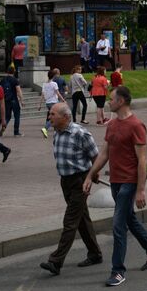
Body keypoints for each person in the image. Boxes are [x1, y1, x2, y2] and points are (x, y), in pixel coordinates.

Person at [86, 86, 147, 287]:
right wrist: (92, 173)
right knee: (129, 219)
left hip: (129, 181)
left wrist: (140, 189)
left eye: (111, 99)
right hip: (115, 181)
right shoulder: (112, 124)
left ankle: (118, 270)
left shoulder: (136, 125)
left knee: (118, 225)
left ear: (121, 102)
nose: (109, 102)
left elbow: (142, 160)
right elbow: (105, 153)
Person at [40, 102, 102, 275]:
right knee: (81, 219)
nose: (49, 117)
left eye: (53, 114)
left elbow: (96, 156)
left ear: (65, 117)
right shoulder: (57, 132)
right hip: (65, 181)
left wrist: (93, 175)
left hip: (80, 181)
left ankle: (56, 261)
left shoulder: (80, 133)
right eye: (50, 114)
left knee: (70, 221)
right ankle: (95, 254)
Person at [41, 69, 66, 137]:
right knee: (56, 117)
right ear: (53, 76)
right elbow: (58, 93)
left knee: (53, 117)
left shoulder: (44, 84)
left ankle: (55, 133)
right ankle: (45, 128)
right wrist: (63, 100)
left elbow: (42, 95)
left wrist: (40, 105)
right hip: (54, 102)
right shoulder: (54, 84)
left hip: (48, 103)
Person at [0, 69, 23, 136]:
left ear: (7, 72)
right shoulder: (15, 80)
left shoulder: (3, 80)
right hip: (14, 100)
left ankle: (3, 127)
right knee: (17, 116)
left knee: (7, 117)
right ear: (14, 72)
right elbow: (18, 91)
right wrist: (21, 100)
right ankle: (16, 132)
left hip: (6, 100)